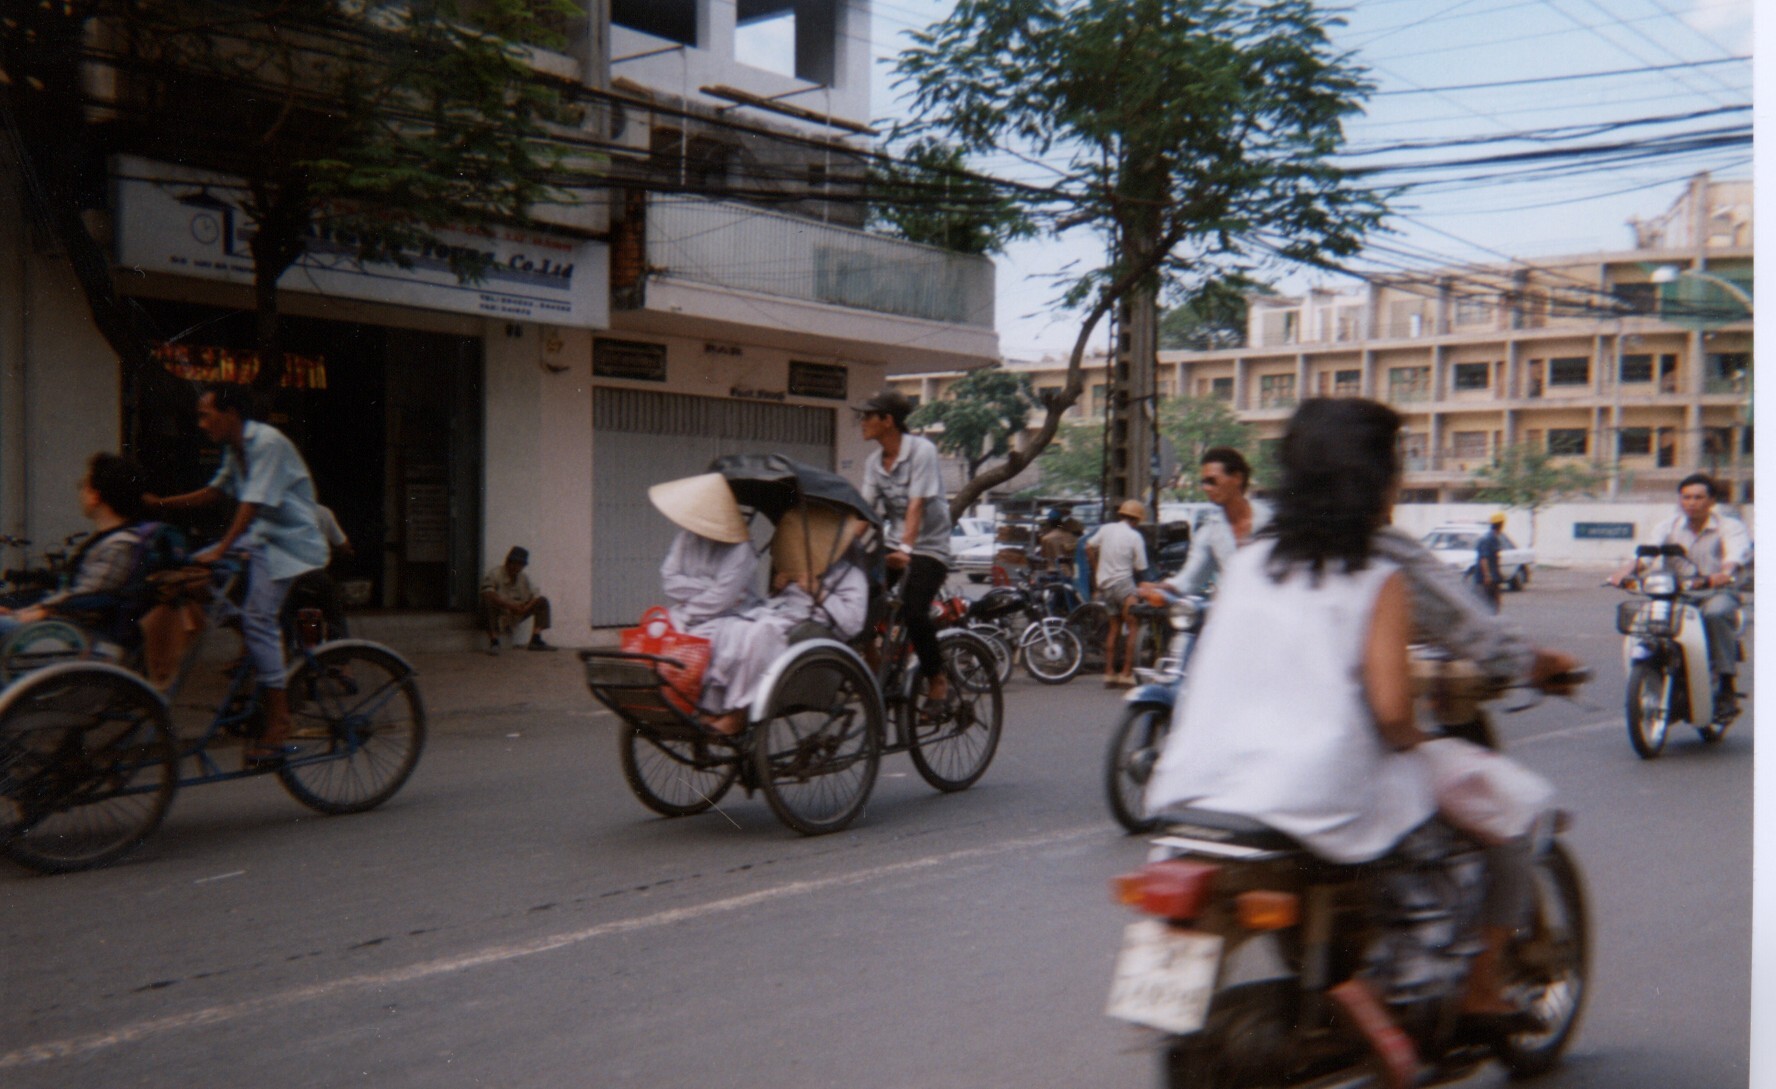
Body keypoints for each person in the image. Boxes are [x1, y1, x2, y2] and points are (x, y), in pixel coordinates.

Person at [1144, 398, 1548, 1078]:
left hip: (1194, 790)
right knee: (1465, 857)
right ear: (1376, 478)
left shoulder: (1248, 562)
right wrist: (1423, 742)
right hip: (1313, 794)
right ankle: (1388, 1002)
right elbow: (1392, 712)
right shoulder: (1378, 570)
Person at [143, 384, 327, 767]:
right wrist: (160, 505)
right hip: (259, 540)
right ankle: (259, 650)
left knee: (259, 618)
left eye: (207, 415)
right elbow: (214, 493)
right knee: (190, 579)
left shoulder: (268, 442)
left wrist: (222, 549)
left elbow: (251, 503)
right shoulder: (234, 449)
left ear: (231, 415)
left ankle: (279, 720)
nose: (202, 423)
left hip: (289, 545)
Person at [697, 504, 870, 735]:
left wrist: (820, 592)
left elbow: (853, 623)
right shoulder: (796, 565)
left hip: (813, 628)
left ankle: (740, 712)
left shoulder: (852, 575)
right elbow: (777, 602)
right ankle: (714, 704)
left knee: (761, 633)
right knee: (727, 627)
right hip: (779, 614)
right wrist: (779, 588)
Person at [1608, 472, 1750, 716]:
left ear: (1711, 501)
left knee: (1715, 614)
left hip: (1715, 591)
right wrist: (1622, 574)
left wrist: (1724, 573)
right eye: (1686, 497)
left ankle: (1726, 684)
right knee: (1649, 621)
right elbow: (1645, 557)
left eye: (1698, 497)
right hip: (1676, 592)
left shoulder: (1730, 527)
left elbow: (1734, 557)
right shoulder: (1667, 527)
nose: (1691, 502)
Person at [856, 389, 952, 717]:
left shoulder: (922, 450)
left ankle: (937, 680)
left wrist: (906, 550)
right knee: (859, 602)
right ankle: (876, 674)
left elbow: (917, 504)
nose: (863, 422)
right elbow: (864, 513)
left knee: (913, 610)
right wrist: (838, 553)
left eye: (869, 416)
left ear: (888, 421)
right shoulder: (873, 462)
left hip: (929, 547)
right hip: (896, 542)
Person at [0, 453, 147, 641]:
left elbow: (88, 596)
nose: (80, 492)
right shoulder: (112, 540)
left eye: (83, 486)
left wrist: (30, 612)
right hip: (63, 622)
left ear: (95, 496)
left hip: (70, 632)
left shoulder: (121, 544)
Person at [1140, 446, 1267, 601]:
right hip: (1233, 612)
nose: (1206, 488)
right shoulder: (1209, 531)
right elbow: (1189, 579)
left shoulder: (1271, 520)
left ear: (1237, 478)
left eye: (1212, 481)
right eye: (1204, 482)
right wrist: (1159, 588)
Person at [652, 471, 761, 632]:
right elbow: (669, 581)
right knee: (654, 629)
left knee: (704, 640)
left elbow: (722, 598)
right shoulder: (686, 537)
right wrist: (709, 585)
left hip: (733, 616)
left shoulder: (740, 548)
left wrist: (689, 609)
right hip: (688, 611)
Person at [1087, 499, 1149, 687]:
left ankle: (1109, 673)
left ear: (1121, 515)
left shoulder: (1106, 529)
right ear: (1136, 520)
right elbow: (1141, 567)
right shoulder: (1135, 536)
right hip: (1124, 585)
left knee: (1113, 628)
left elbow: (1088, 546)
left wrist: (1097, 569)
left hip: (1105, 586)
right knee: (1133, 628)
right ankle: (1126, 673)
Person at [281, 504, 353, 642]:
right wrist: (347, 551)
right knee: (334, 615)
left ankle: (284, 652)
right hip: (316, 576)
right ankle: (342, 660)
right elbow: (343, 544)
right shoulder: (323, 512)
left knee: (282, 615)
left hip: (290, 577)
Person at [481, 546, 556, 653]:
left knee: (542, 601)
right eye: (514, 563)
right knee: (487, 601)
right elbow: (488, 593)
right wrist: (509, 606)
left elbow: (536, 595)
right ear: (508, 562)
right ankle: (494, 641)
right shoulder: (495, 574)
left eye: (520, 564)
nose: (516, 567)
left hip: (517, 613)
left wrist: (526, 608)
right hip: (500, 613)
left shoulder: (523, 578)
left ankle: (536, 639)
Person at [1471, 512, 1506, 613]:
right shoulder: (1488, 539)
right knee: (1488, 604)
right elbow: (1484, 559)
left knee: (1494, 603)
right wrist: (1487, 575)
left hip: (1493, 578)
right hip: (1487, 579)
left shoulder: (1494, 538)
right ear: (1501, 525)